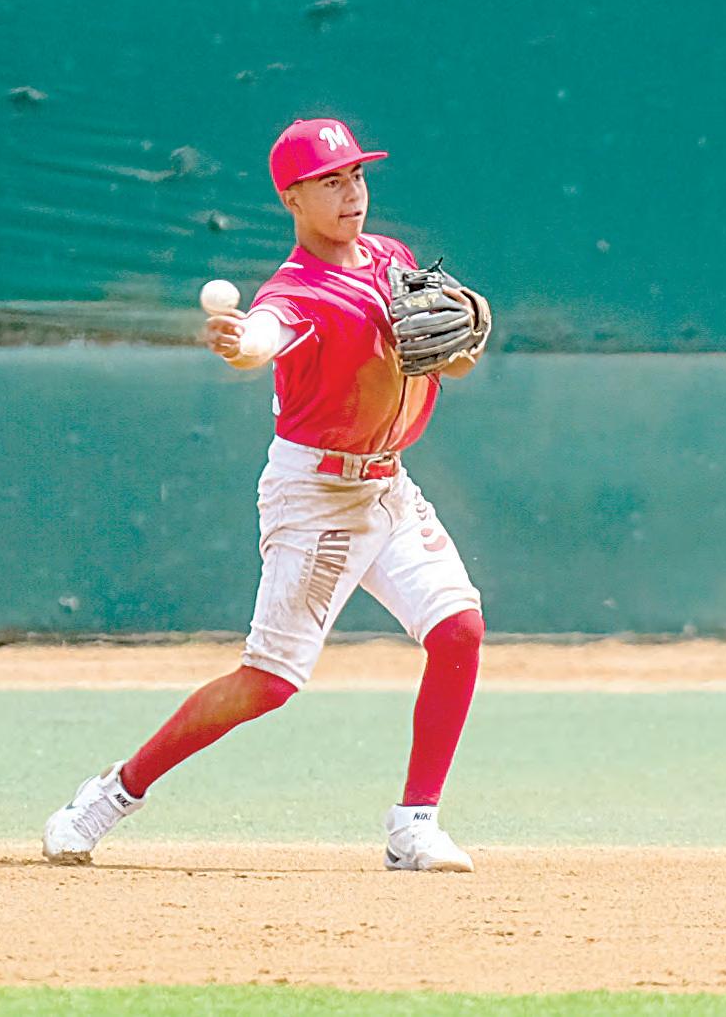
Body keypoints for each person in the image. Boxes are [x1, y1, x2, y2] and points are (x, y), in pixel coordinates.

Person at [43, 118, 487, 872]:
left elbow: (447, 365)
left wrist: (466, 337)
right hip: (317, 499)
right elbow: (262, 338)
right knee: (269, 682)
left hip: (389, 488)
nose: (350, 193)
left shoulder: (393, 260)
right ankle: (112, 793)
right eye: (329, 182)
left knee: (459, 630)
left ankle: (414, 824)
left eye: (356, 176)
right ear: (292, 199)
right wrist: (239, 342)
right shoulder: (296, 291)